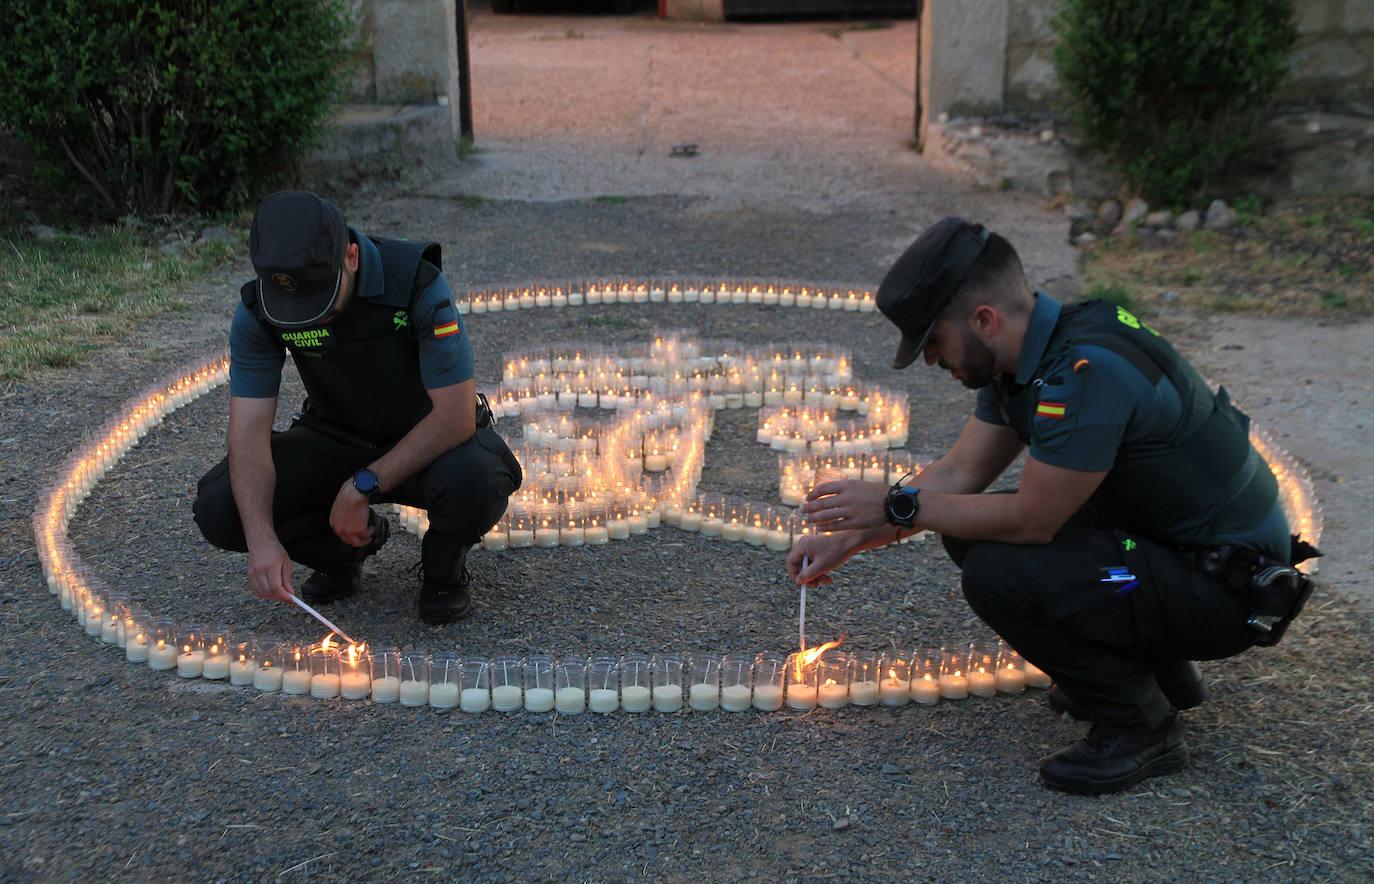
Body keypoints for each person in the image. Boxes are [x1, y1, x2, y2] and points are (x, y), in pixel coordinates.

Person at [787, 217, 1316, 795]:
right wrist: (850, 537)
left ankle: (1140, 723)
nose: (932, 362)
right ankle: (1161, 674)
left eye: (933, 342)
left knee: (999, 571)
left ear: (984, 319)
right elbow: (960, 474)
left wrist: (894, 508)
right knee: (969, 531)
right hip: (1170, 556)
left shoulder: (1083, 374)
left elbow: (1034, 521)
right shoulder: (1030, 352)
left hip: (1220, 589)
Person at [193, 191, 522, 625]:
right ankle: (343, 553)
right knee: (220, 505)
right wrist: (262, 539)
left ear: (351, 256)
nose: (313, 318)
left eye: (322, 301)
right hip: (333, 435)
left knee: (477, 478)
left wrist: (362, 486)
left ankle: (444, 569)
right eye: (298, 308)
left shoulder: (415, 283)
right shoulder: (260, 310)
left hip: (427, 439)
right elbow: (249, 433)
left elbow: (455, 416)